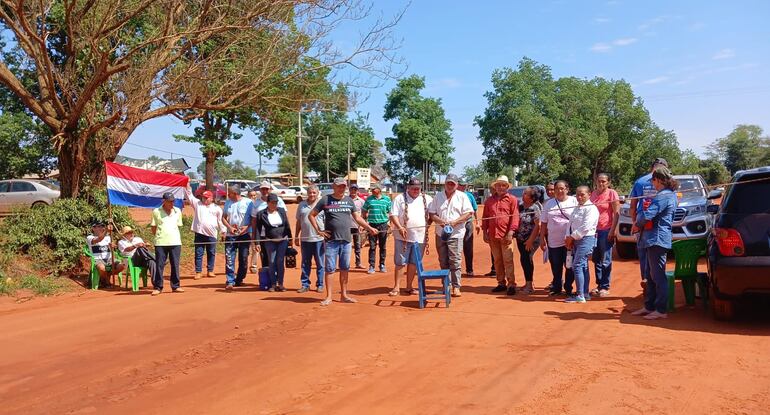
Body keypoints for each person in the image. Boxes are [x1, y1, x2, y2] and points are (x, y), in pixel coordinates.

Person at [309, 178, 378, 306]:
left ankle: (344, 295)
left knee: (345, 268)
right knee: (330, 269)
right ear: (334, 186)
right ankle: (329, 296)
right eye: (339, 186)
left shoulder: (349, 201)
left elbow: (357, 217)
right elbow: (311, 215)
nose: (342, 189)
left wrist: (369, 228)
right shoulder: (325, 199)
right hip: (331, 241)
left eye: (343, 186)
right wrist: (319, 231)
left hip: (346, 240)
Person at [631, 167, 678, 320]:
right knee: (650, 275)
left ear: (658, 180)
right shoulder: (664, 195)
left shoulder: (663, 196)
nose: (652, 183)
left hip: (657, 238)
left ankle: (661, 309)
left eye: (653, 180)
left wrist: (638, 221)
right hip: (651, 238)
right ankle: (649, 306)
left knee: (658, 275)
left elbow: (647, 215)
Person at [428, 173, 474, 297]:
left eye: (452, 183)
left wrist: (455, 222)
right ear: (445, 183)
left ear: (456, 185)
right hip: (440, 233)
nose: (450, 185)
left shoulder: (462, 196)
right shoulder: (438, 196)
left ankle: (456, 286)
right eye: (448, 183)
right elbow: (432, 214)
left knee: (455, 260)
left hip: (456, 234)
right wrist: (441, 222)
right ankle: (446, 285)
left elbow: (469, 213)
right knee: (443, 260)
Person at [389, 177, 433, 296]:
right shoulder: (399, 198)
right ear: (408, 187)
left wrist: (428, 225)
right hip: (401, 237)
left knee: (414, 262)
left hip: (420, 237)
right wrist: (400, 227)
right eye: (413, 188)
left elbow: (433, 214)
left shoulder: (427, 199)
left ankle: (409, 286)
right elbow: (393, 215)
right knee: (400, 262)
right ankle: (396, 287)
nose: (415, 191)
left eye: (418, 189)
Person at [630, 158, 669, 291]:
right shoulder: (668, 183)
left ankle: (648, 288)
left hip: (643, 225)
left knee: (645, 258)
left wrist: (634, 222)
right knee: (656, 261)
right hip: (657, 226)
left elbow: (633, 206)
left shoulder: (640, 181)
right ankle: (653, 293)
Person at [481, 175, 520, 295]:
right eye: (499, 185)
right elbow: (485, 218)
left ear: (507, 187)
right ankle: (501, 283)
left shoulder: (512, 199)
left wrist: (511, 232)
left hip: (506, 235)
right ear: (495, 187)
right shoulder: (489, 201)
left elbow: (515, 216)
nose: (501, 187)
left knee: (508, 260)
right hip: (493, 235)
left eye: (504, 185)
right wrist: (484, 232)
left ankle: (511, 284)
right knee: (497, 260)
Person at [540, 180, 578, 296]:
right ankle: (557, 288)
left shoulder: (574, 201)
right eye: (557, 188)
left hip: (569, 241)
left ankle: (568, 288)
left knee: (569, 266)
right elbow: (544, 222)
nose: (559, 191)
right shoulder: (549, 204)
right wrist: (542, 238)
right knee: (555, 266)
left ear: (567, 189)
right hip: (553, 241)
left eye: (562, 188)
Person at [564, 186, 599, 303]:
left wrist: (572, 237)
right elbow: (570, 223)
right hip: (576, 239)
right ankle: (584, 293)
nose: (579, 197)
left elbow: (586, 226)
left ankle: (580, 295)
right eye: (577, 194)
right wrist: (567, 237)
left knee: (577, 265)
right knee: (583, 266)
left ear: (589, 194)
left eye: (582, 194)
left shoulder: (591, 208)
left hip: (586, 239)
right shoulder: (577, 207)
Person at [185, 185, 226, 280]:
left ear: (212, 198)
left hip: (212, 234)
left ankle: (210, 270)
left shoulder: (217, 208)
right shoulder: (197, 204)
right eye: (203, 197)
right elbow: (189, 195)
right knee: (198, 253)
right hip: (199, 233)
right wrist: (187, 185)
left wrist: (223, 231)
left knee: (211, 252)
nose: (204, 199)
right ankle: (198, 272)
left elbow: (220, 221)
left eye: (207, 198)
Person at [255, 193, 293, 292]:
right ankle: (273, 284)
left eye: (276, 203)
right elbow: (258, 230)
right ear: (267, 203)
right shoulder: (261, 214)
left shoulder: (281, 211)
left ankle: (280, 284)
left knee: (280, 262)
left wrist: (290, 239)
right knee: (272, 262)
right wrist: (257, 243)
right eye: (272, 203)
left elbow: (287, 225)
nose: (274, 205)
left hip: (282, 240)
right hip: (269, 241)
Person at [590, 173, 620, 297]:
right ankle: (599, 284)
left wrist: (612, 231)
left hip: (605, 229)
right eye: (599, 181)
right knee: (596, 258)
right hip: (593, 231)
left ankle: (605, 286)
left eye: (603, 181)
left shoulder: (612, 193)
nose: (601, 183)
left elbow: (616, 213)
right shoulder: (593, 194)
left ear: (608, 182)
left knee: (606, 259)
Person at [150, 192, 184, 296]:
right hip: (161, 242)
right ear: (163, 201)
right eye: (169, 201)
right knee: (159, 265)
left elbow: (178, 225)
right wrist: (160, 236)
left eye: (173, 201)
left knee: (175, 265)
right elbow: (153, 227)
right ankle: (158, 287)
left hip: (175, 242)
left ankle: (176, 286)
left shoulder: (177, 211)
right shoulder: (156, 211)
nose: (171, 203)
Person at [295, 185, 325, 293]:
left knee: (320, 263)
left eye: (314, 193)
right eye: (310, 192)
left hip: (319, 239)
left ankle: (320, 284)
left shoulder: (322, 204)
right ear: (307, 193)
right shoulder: (302, 205)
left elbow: (327, 221)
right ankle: (305, 284)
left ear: (317, 194)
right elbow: (299, 221)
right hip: (305, 239)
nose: (312, 195)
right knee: (305, 263)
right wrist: (296, 236)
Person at [250, 181, 287, 269]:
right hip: (263, 235)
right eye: (263, 189)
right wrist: (255, 238)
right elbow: (254, 221)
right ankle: (268, 280)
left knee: (278, 258)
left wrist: (286, 234)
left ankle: (277, 279)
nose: (265, 191)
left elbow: (284, 218)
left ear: (270, 189)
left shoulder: (279, 200)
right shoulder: (256, 203)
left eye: (267, 189)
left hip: (278, 235)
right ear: (260, 190)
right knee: (265, 258)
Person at [224, 185, 252, 290]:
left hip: (244, 235)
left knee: (243, 259)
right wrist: (229, 227)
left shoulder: (248, 202)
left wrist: (246, 227)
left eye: (229, 193)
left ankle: (239, 279)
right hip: (231, 235)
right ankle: (230, 281)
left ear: (235, 193)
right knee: (230, 259)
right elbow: (223, 218)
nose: (228, 195)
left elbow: (252, 219)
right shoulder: (228, 202)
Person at [516, 186, 542, 294]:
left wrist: (531, 240)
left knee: (527, 259)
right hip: (520, 238)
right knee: (524, 259)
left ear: (532, 198)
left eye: (526, 194)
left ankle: (529, 285)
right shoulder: (520, 206)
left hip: (531, 238)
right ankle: (528, 282)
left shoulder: (535, 208)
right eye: (524, 193)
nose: (523, 195)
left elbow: (538, 225)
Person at [362, 183, 392, 274]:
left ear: (379, 189)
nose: (372, 190)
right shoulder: (369, 199)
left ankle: (382, 264)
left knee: (383, 246)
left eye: (373, 189)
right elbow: (364, 210)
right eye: (371, 189)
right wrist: (365, 221)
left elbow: (390, 212)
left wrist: (390, 224)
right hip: (372, 225)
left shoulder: (387, 199)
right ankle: (371, 265)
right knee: (372, 246)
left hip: (383, 225)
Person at [86, 222, 125, 287]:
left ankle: (105, 276)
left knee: (122, 266)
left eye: (103, 226)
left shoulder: (108, 238)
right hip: (98, 259)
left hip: (109, 259)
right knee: (102, 268)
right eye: (99, 226)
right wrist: (107, 230)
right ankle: (106, 281)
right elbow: (98, 239)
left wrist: (112, 246)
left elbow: (111, 248)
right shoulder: (90, 237)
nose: (102, 228)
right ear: (93, 228)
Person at [458, 179, 480, 276]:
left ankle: (469, 270)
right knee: (455, 247)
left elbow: (474, 210)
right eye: (461, 185)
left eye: (464, 185)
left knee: (468, 247)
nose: (463, 187)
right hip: (456, 225)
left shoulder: (469, 195)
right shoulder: (453, 195)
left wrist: (477, 222)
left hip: (468, 224)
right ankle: (455, 271)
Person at [349, 183, 366, 268]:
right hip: (346, 226)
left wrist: (362, 225)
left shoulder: (361, 201)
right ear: (349, 190)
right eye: (352, 189)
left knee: (357, 245)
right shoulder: (345, 200)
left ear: (357, 190)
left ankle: (358, 263)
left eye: (355, 189)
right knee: (346, 246)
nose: (353, 191)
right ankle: (345, 264)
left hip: (357, 226)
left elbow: (363, 214)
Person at [246, 189, 261, 273]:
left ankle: (253, 266)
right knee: (245, 250)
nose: (253, 197)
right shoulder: (246, 205)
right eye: (251, 195)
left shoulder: (258, 205)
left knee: (255, 248)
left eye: (254, 195)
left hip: (254, 230)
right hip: (245, 230)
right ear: (248, 196)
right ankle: (244, 265)